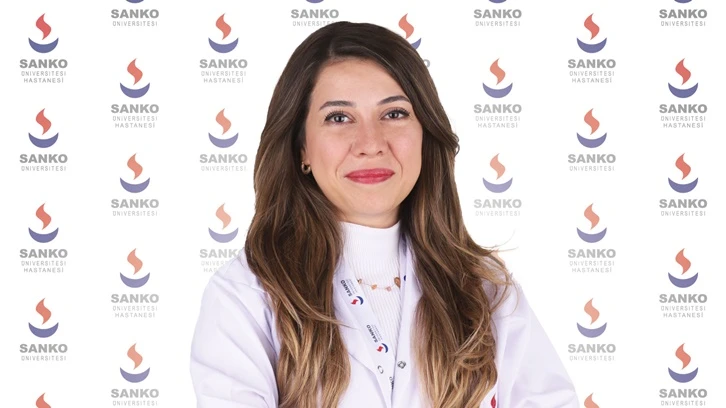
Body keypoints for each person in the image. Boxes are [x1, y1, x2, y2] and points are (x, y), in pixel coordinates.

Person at [189, 21, 579, 408]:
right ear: (301, 148)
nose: (371, 143)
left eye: (393, 113)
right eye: (338, 117)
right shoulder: (245, 294)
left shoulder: (486, 289)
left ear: (425, 133)